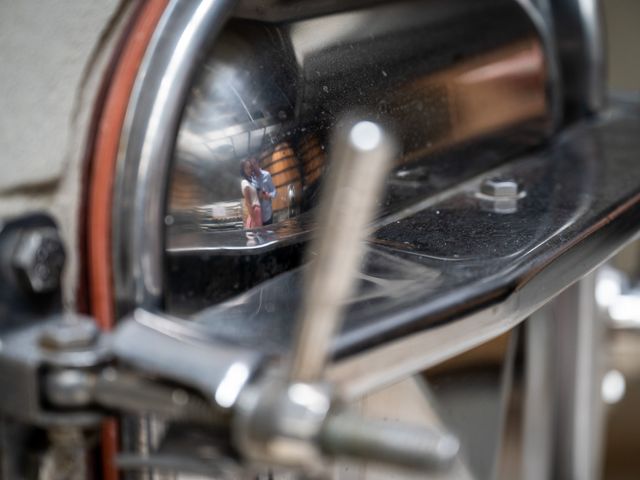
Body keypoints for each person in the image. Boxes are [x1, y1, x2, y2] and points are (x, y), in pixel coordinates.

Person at [249, 156, 276, 226]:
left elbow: (274, 191)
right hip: (257, 216)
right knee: (260, 236)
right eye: (251, 166)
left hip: (267, 214)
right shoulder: (251, 180)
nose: (254, 167)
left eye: (254, 163)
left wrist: (269, 195)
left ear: (258, 163)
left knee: (270, 235)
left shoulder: (266, 175)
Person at [241, 159, 262, 229]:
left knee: (259, 237)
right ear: (243, 170)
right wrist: (254, 220)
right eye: (246, 168)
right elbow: (248, 203)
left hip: (257, 212)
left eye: (250, 167)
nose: (249, 170)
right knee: (255, 237)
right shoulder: (245, 183)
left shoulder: (250, 182)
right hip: (254, 212)